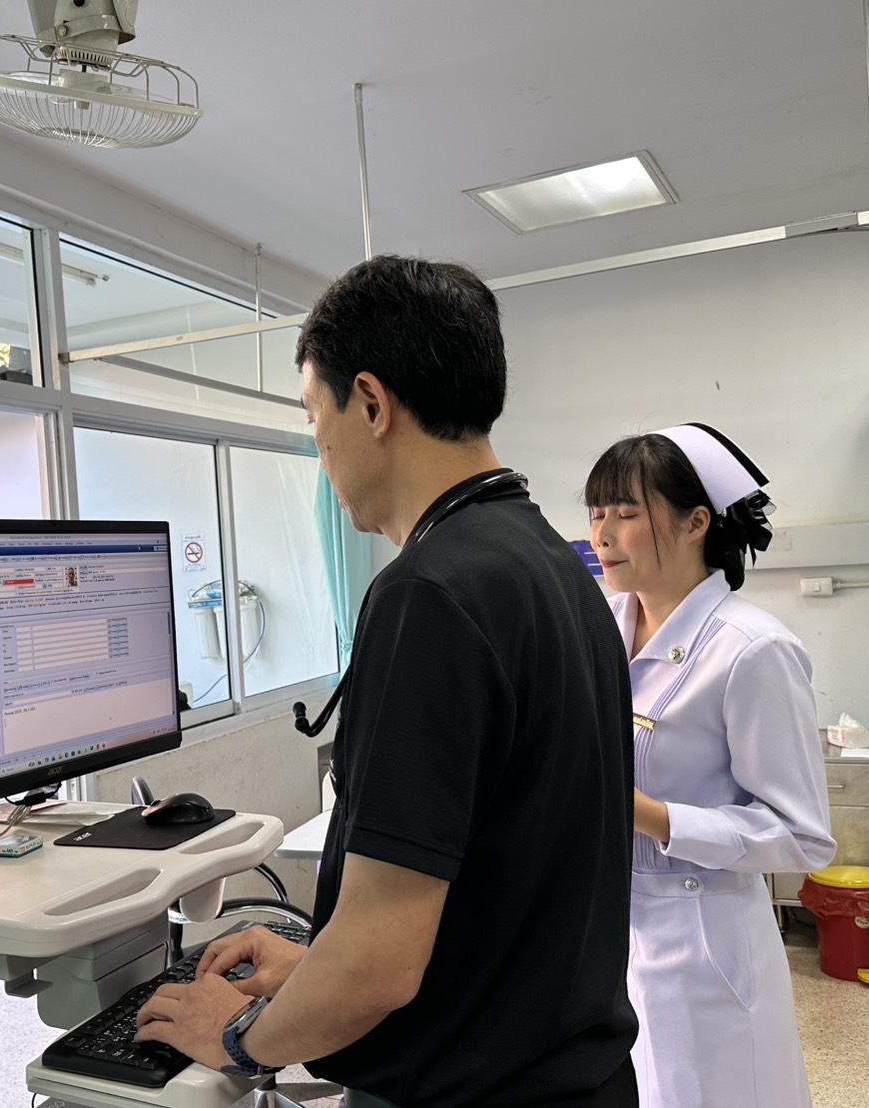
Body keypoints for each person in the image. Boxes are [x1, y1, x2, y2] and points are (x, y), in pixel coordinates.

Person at [135, 255, 639, 1107]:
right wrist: (316, 965)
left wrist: (237, 1037)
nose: (319, 452)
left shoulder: (428, 593)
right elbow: (498, 870)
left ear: (370, 404)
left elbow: (378, 968)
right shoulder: (546, 562)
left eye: (314, 417)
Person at [584, 425, 835, 1108]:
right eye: (596, 512)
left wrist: (647, 815)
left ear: (697, 523)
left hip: (704, 942)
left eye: (626, 513)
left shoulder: (751, 650)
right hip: (609, 932)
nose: (602, 533)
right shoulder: (598, 627)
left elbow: (802, 836)